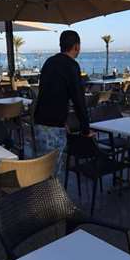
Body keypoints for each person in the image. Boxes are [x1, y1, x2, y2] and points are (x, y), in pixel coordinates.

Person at [34, 30, 91, 169]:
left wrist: (63, 119)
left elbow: (48, 93)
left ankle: (41, 190)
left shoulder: (49, 62)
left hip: (39, 122)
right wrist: (86, 130)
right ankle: (49, 191)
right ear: (76, 46)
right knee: (52, 172)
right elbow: (78, 100)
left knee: (41, 169)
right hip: (54, 126)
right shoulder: (72, 66)